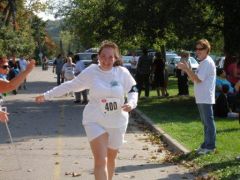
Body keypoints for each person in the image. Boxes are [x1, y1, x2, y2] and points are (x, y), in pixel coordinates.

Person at [35, 40, 138, 180]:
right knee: (101, 160)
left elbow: (133, 90)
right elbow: (71, 85)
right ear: (98, 56)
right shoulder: (92, 71)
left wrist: (131, 103)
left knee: (111, 159)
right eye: (103, 56)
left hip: (118, 122)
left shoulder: (122, 72)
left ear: (116, 58)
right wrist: (47, 95)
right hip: (95, 120)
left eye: (110, 57)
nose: (106, 60)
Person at [177, 39, 216, 155]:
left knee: (208, 122)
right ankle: (206, 144)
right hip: (201, 97)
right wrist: (187, 69)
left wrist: (186, 69)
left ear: (207, 50)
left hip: (205, 97)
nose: (198, 51)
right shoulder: (203, 62)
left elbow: (198, 79)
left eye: (201, 49)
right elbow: (194, 78)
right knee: (205, 123)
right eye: (197, 49)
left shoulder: (207, 62)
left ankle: (210, 147)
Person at [0, 57, 35, 123]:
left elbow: (12, 85)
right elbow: (10, 85)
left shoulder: (3, 77)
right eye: (4, 67)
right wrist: (27, 71)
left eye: (8, 66)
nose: (7, 69)